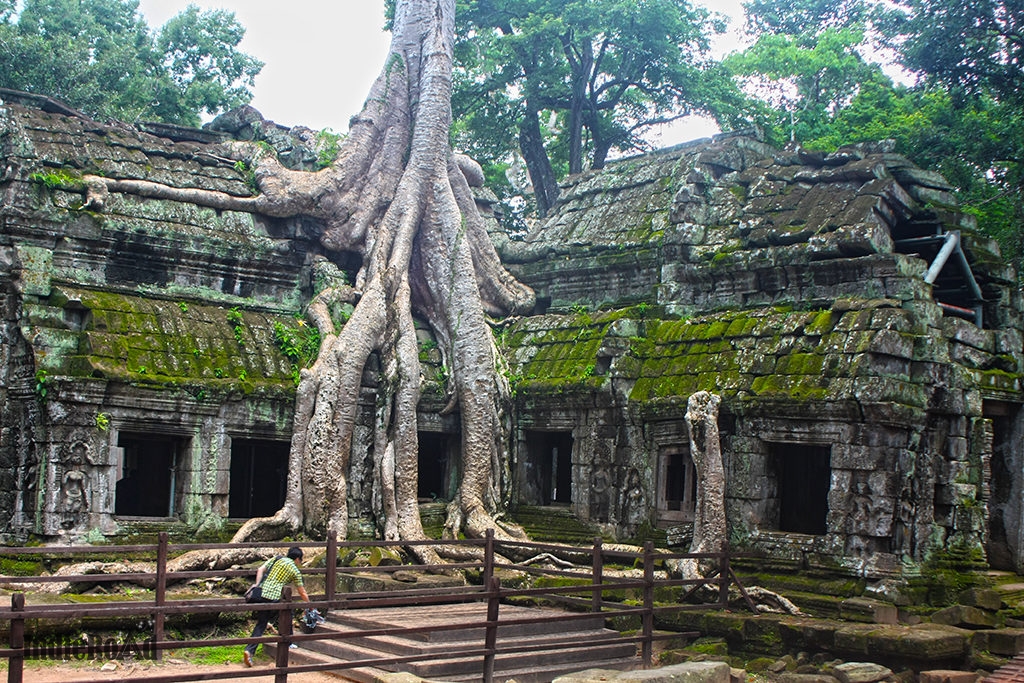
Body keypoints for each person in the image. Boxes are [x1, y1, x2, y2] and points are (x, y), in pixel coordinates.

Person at [243, 546, 310, 667]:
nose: (300, 563)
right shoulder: (294, 570)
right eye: (301, 560)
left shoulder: (277, 559)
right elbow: (302, 591)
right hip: (274, 597)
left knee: (261, 623)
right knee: (288, 613)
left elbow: (260, 569)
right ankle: (288, 641)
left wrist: (256, 585)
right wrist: (310, 606)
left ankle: (249, 650)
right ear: (297, 559)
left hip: (261, 594)